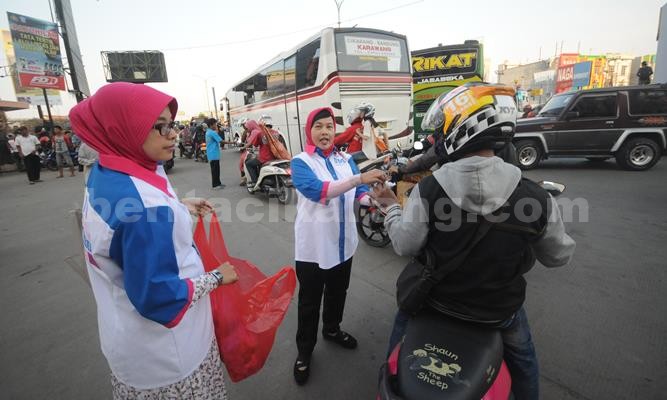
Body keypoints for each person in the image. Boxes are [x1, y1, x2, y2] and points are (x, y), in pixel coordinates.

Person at [370, 83, 576, 400]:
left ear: (461, 127)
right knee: (525, 366)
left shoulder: (428, 190)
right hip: (498, 311)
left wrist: (391, 208)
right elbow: (558, 256)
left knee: (395, 349)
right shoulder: (535, 196)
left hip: (436, 302)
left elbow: (404, 245)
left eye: (441, 130)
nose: (437, 138)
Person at [69, 82, 239, 399]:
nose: (173, 133)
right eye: (158, 127)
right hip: (169, 358)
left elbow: (129, 222)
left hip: (127, 339)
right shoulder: (146, 211)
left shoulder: (108, 169)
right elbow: (158, 297)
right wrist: (216, 277)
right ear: (123, 129)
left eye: (171, 123)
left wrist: (179, 206)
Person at [290, 107, 387, 385]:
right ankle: (304, 352)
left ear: (335, 130)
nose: (325, 132)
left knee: (337, 292)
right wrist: (359, 179)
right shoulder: (301, 162)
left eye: (329, 127)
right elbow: (318, 191)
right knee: (309, 302)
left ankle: (332, 329)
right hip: (314, 249)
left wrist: (378, 199)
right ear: (309, 131)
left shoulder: (346, 159)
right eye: (318, 126)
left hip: (344, 245)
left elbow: (359, 195)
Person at [243, 116, 281, 185]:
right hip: (277, 157)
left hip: (265, 158)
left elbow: (255, 145)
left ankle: (255, 181)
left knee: (248, 163)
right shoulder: (277, 133)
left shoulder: (260, 134)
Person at [205, 118, 230, 190]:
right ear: (211, 125)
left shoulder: (208, 132)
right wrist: (232, 143)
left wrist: (217, 129)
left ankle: (218, 183)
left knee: (216, 170)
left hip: (212, 153)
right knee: (215, 170)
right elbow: (221, 141)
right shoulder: (212, 133)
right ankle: (215, 185)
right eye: (215, 124)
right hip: (213, 154)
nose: (216, 125)